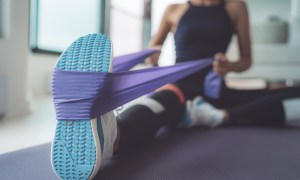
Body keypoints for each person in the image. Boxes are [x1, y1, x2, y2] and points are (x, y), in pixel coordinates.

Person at [114, 0, 300, 152]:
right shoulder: (174, 10)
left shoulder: (235, 6)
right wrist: (151, 56)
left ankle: (217, 115)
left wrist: (230, 66)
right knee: (157, 104)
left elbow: (246, 60)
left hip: (216, 91)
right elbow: (151, 51)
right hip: (180, 87)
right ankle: (111, 138)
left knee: (286, 94)